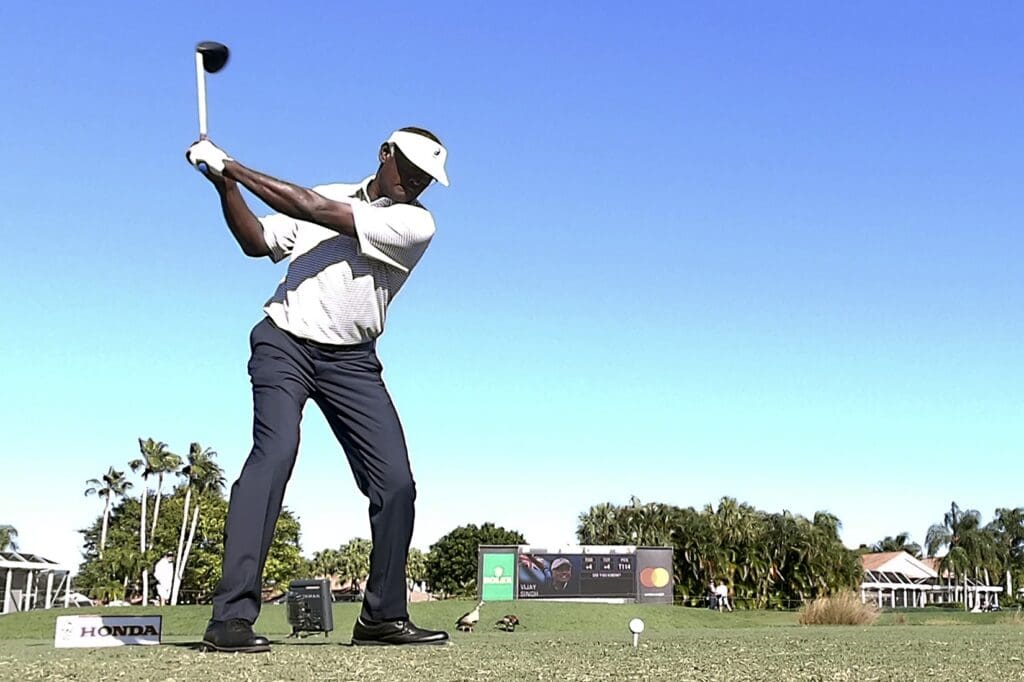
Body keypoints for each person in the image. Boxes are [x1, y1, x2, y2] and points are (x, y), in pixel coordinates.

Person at [184, 126, 450, 652]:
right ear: (385, 154)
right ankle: (230, 618)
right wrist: (224, 186)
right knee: (274, 456)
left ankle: (382, 617)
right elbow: (257, 242)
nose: (418, 181)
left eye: (427, 177)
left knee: (396, 484)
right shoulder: (331, 192)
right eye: (411, 169)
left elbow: (314, 209)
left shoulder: (415, 223)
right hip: (284, 342)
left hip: (352, 361)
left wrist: (232, 165)